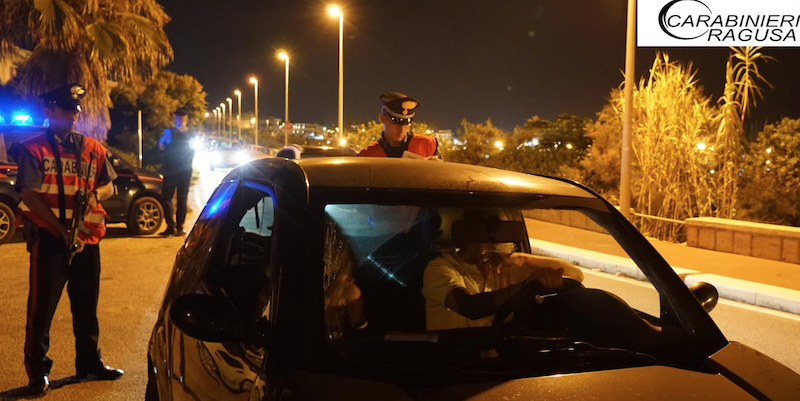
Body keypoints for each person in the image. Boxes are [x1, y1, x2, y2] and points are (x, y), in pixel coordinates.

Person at [15, 84, 123, 396]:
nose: (73, 115)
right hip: (50, 239)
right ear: (48, 111)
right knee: (42, 310)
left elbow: (110, 186)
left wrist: (95, 195)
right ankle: (37, 373)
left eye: (75, 110)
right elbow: (29, 195)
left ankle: (89, 363)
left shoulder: (93, 147)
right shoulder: (34, 149)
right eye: (65, 109)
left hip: (87, 239)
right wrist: (61, 231)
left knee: (87, 306)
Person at [421, 210, 583, 331]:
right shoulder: (440, 268)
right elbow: (468, 306)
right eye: (504, 231)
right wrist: (521, 287)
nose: (509, 240)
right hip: (454, 361)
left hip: (501, 359)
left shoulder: (506, 269)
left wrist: (522, 259)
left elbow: (574, 275)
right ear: (485, 234)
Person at [358, 91, 442, 159]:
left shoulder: (428, 145)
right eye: (396, 124)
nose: (402, 130)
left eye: (406, 125)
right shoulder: (367, 155)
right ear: (382, 118)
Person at [158, 108, 195, 236]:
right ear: (186, 118)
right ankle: (180, 227)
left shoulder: (169, 132)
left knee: (167, 197)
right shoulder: (192, 134)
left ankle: (170, 226)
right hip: (186, 169)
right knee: (182, 198)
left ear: (176, 118)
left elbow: (161, 146)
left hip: (171, 169)